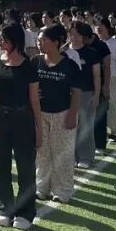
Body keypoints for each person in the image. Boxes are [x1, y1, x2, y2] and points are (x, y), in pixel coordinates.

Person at [0, 22, 41, 230]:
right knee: (0, 164)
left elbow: (34, 100)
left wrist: (39, 129)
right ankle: (5, 209)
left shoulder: (28, 66)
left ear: (15, 40)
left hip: (22, 119)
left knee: (25, 167)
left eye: (4, 37)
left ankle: (25, 213)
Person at [34, 24, 81, 203]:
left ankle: (62, 191)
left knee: (63, 153)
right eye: (38, 40)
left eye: (43, 40)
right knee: (42, 151)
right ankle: (41, 187)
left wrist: (72, 114)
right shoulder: (35, 61)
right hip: (40, 113)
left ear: (56, 42)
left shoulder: (69, 65)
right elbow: (27, 85)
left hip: (63, 113)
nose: (39, 43)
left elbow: (76, 92)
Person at [69, 22, 103, 168]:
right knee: (69, 127)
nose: (74, 37)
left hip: (86, 93)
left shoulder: (91, 53)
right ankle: (71, 156)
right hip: (68, 95)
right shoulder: (64, 52)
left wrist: (96, 95)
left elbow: (97, 76)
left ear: (83, 36)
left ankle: (86, 157)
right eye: (71, 34)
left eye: (77, 34)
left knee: (86, 126)